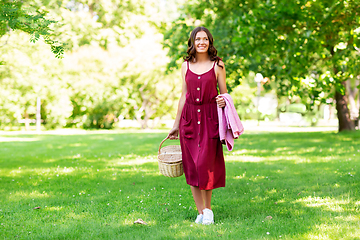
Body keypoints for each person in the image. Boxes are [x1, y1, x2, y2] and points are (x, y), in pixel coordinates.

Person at [168, 26, 227, 225]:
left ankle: (208, 209)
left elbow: (224, 93)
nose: (202, 42)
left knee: (206, 165)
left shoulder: (218, 65)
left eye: (205, 39)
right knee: (192, 166)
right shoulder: (185, 65)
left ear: (210, 42)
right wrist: (176, 124)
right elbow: (183, 96)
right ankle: (200, 212)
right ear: (192, 42)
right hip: (189, 119)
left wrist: (222, 101)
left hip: (210, 118)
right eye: (198, 39)